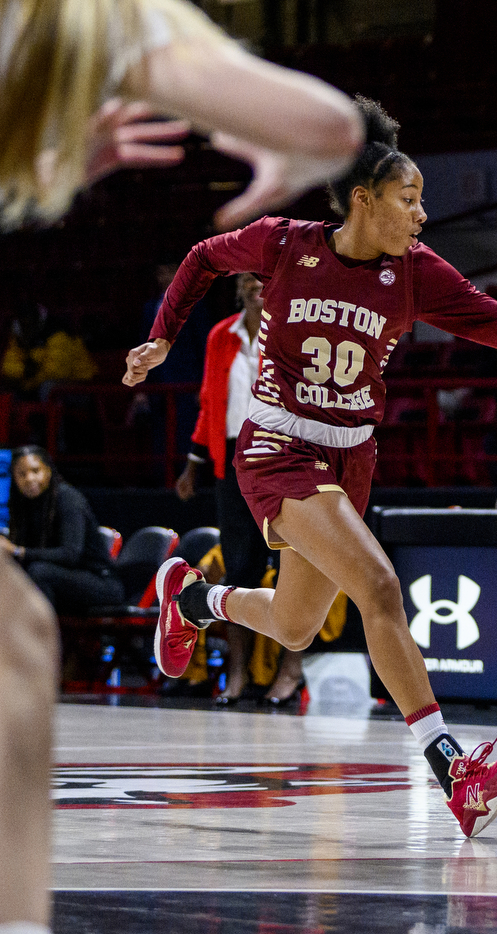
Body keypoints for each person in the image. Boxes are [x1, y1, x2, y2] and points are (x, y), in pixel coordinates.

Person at [0, 2, 366, 932]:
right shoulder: (91, 20)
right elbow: (328, 126)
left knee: (2, 639)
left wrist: (49, 169)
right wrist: (287, 160)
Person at [123, 97, 497, 839]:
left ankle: (190, 599)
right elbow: (204, 257)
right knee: (377, 586)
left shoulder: (414, 273)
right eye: (410, 199)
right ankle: (455, 774)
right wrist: (160, 339)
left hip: (350, 454)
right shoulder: (283, 244)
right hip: (277, 448)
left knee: (298, 625)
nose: (421, 215)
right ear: (365, 201)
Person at [174, 273, 304, 706]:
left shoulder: (291, 328)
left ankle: (290, 670)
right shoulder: (219, 336)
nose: (257, 285)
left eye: (265, 277)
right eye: (249, 278)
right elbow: (211, 404)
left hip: (280, 457)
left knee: (291, 569)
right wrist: (193, 464)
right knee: (240, 568)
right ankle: (238, 673)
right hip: (231, 463)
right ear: (239, 287)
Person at [0, 446, 123, 614]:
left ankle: (43, 637)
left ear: (48, 471)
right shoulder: (22, 505)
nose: (29, 478)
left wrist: (19, 552)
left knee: (39, 572)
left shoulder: (67, 499)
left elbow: (70, 555)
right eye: (22, 474)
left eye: (36, 471)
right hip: (61, 580)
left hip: (99, 583)